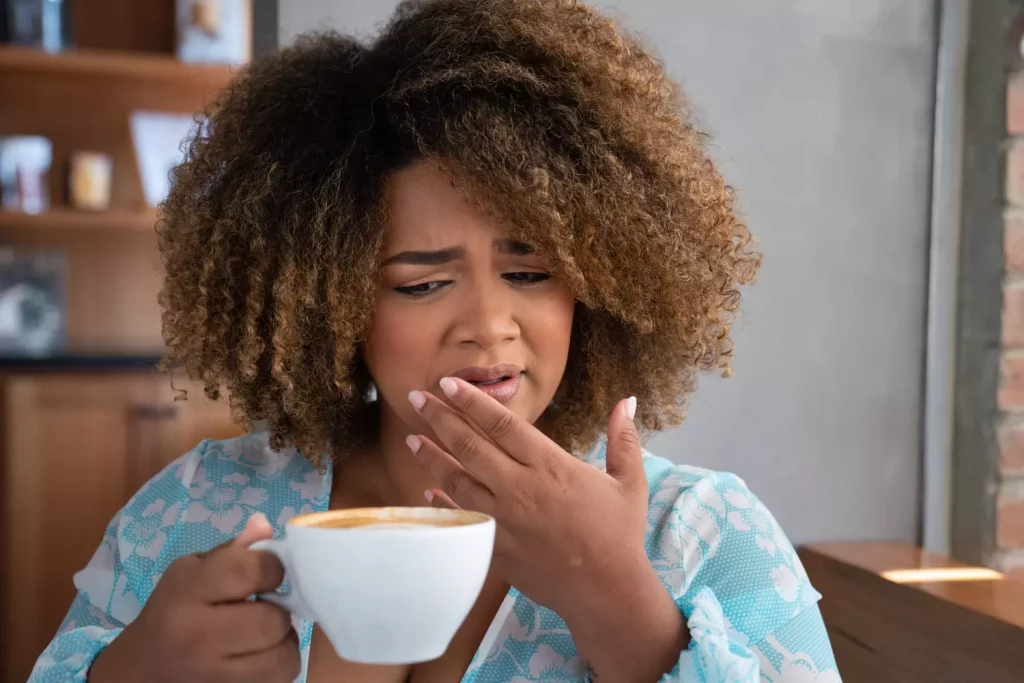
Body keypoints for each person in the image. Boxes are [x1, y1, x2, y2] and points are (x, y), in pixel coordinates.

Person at [31, 1, 840, 681]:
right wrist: (128, 670)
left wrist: (618, 600)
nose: (490, 325)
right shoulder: (195, 510)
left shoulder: (703, 534)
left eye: (530, 273)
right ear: (334, 301)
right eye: (421, 283)